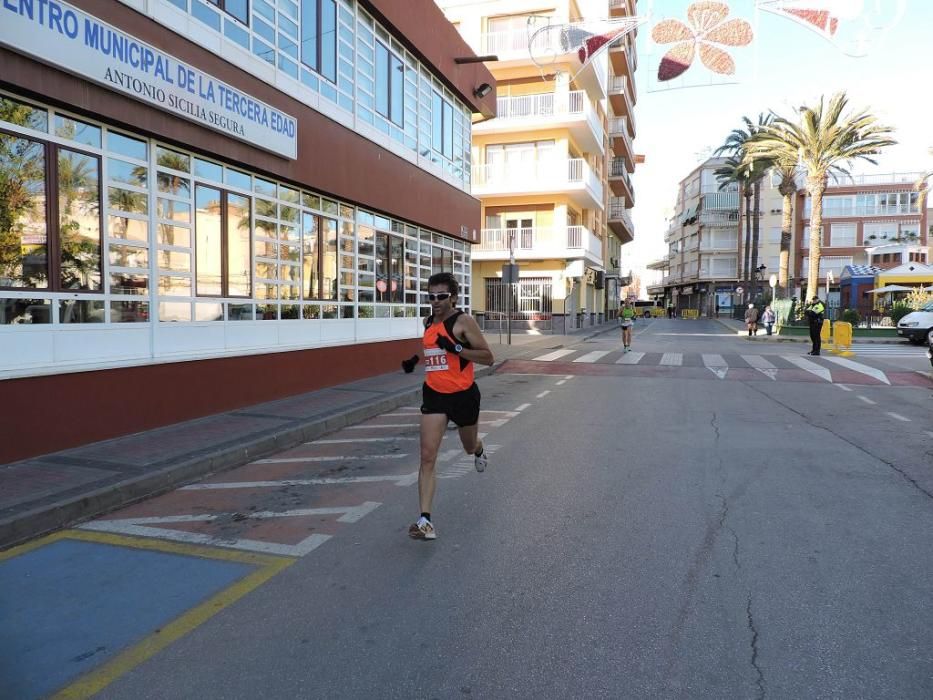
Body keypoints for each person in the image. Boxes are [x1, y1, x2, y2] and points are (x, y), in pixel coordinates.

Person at [409, 272, 494, 541]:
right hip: (434, 395)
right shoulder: (427, 322)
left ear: (454, 297)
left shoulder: (463, 321)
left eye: (441, 296)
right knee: (427, 457)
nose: (435, 301)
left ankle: (479, 449)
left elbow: (488, 358)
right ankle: (425, 521)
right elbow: (435, 357)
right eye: (431, 296)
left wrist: (456, 348)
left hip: (463, 395)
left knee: (468, 446)